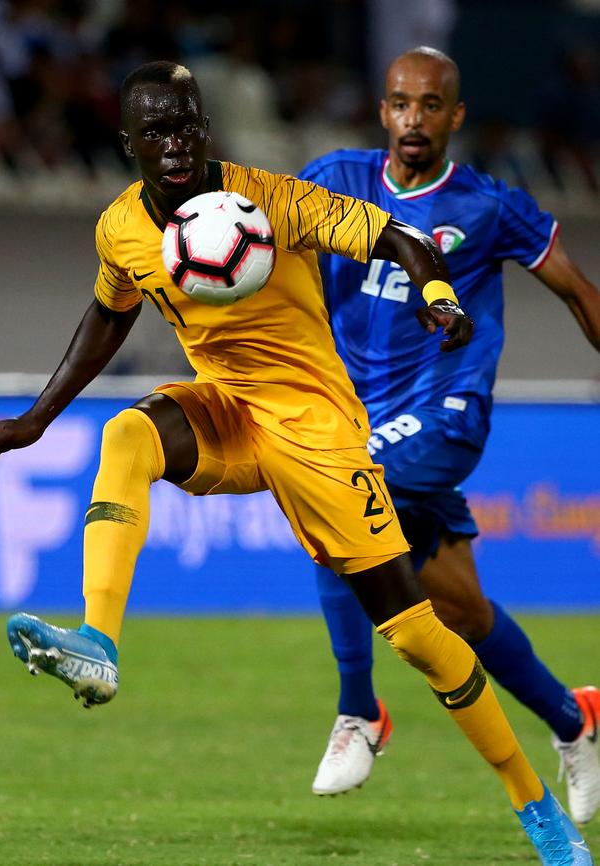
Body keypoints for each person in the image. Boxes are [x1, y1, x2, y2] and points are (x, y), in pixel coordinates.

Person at [0, 61, 593, 865]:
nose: (176, 143)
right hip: (228, 414)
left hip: (319, 431)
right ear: (129, 144)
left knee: (420, 634)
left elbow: (395, 236)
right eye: (156, 131)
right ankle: (99, 645)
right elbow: (108, 313)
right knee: (127, 435)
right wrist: (36, 420)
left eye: (187, 125)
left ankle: (536, 807)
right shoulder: (120, 228)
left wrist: (438, 295)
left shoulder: (274, 200)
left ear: (205, 128)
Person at [298, 46, 600, 825]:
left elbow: (574, 287)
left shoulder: (489, 206)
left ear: (455, 116)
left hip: (447, 414)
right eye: (400, 103)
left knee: (337, 493)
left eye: (430, 105)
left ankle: (360, 710)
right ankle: (576, 720)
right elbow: (261, 240)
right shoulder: (335, 179)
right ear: (382, 111)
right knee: (461, 609)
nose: (413, 119)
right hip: (365, 420)